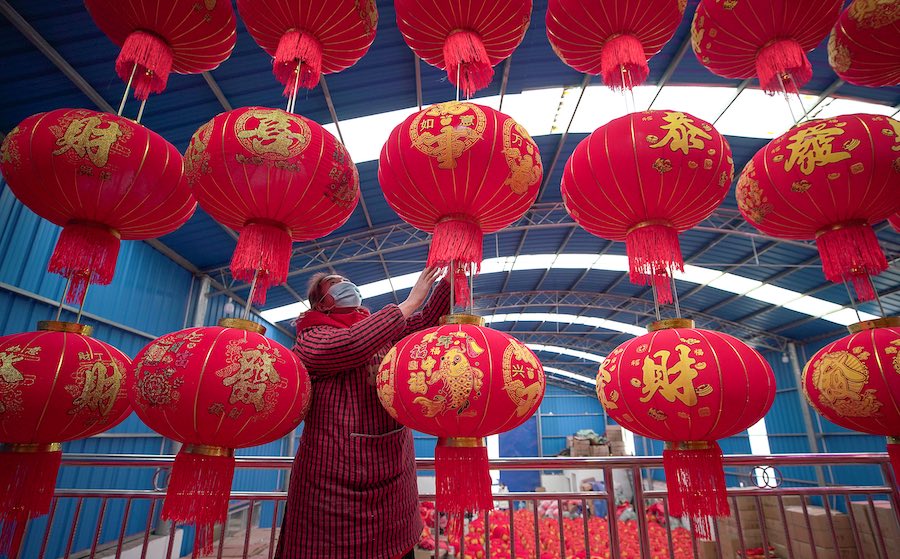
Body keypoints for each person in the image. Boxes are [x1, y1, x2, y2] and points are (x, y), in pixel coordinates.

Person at [275, 267, 451, 559]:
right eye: (335, 285)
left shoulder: (378, 328)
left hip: (393, 477)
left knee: (396, 544)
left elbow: (425, 324)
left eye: (347, 281)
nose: (347, 286)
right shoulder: (312, 337)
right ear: (322, 303)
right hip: (334, 482)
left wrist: (450, 281)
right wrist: (407, 304)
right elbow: (351, 345)